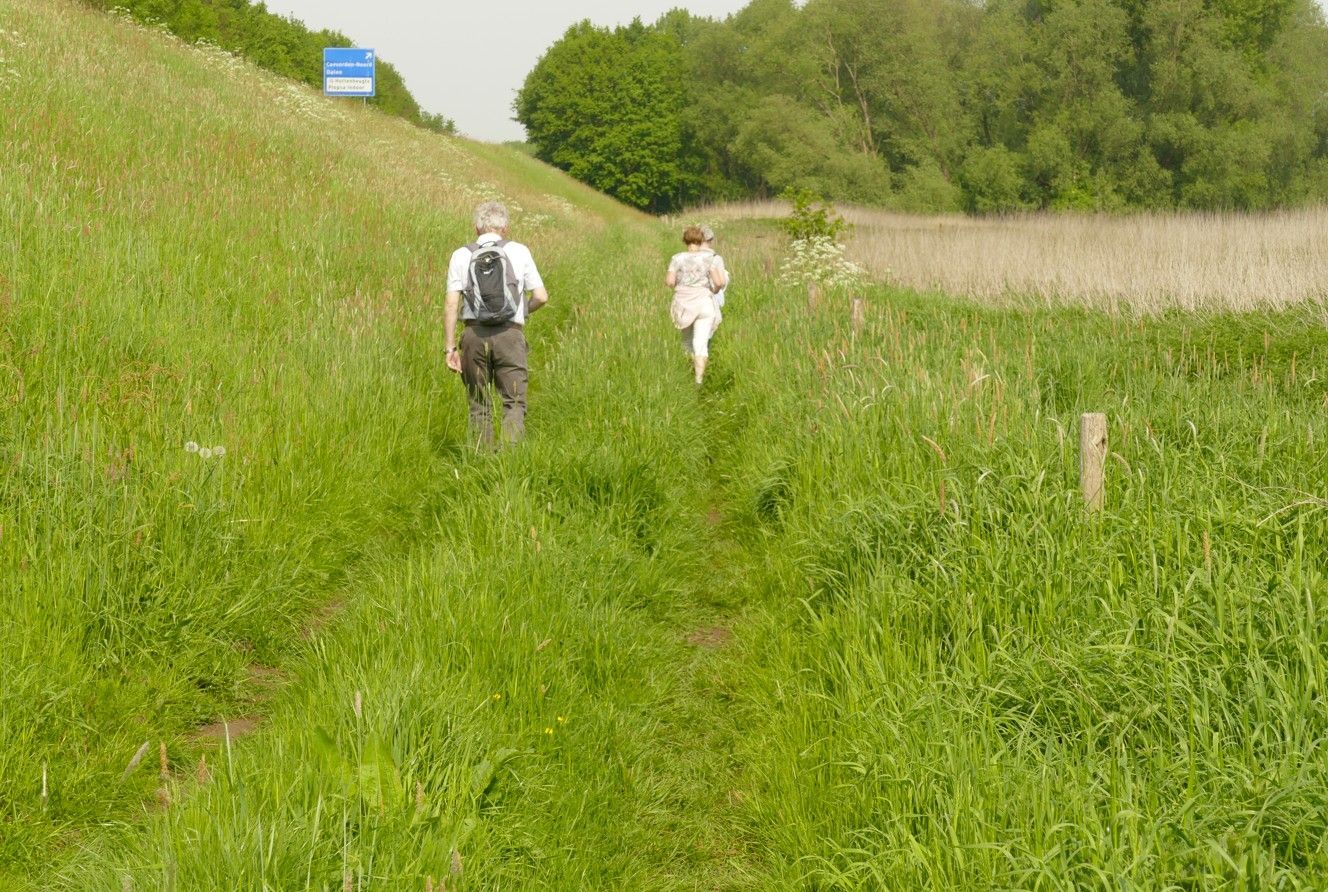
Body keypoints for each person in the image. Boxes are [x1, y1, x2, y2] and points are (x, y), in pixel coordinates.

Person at [444, 201, 549, 447]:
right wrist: (522, 311)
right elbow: (542, 296)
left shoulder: (461, 254)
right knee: (513, 402)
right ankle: (509, 463)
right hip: (510, 335)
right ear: (505, 228)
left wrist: (450, 348)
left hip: (473, 336)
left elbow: (451, 304)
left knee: (479, 403)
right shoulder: (520, 251)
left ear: (476, 228)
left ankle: (481, 463)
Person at [667, 226, 727, 385]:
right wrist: (713, 290)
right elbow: (720, 282)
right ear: (701, 241)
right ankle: (698, 381)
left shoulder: (676, 258)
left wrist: (680, 288)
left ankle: (688, 373)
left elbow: (670, 281)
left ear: (685, 241)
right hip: (704, 303)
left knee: (687, 342)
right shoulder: (709, 259)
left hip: (684, 304)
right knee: (701, 344)